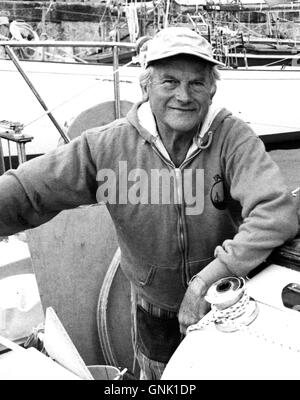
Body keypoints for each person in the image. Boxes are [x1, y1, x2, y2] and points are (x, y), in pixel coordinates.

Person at [0, 27, 298, 380]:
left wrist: (208, 280)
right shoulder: (106, 146)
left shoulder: (233, 138)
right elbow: (28, 191)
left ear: (212, 88)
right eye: (169, 82)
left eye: (196, 83)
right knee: (159, 379)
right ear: (146, 86)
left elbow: (276, 212)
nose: (184, 96)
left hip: (224, 304)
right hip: (153, 313)